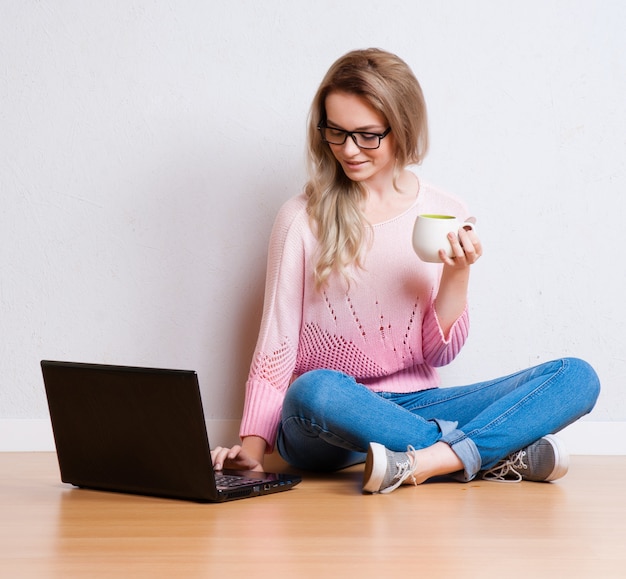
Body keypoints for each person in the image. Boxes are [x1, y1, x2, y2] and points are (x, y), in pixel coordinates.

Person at [211, 48, 600, 493]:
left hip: (414, 407)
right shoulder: (301, 218)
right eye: (335, 132)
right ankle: (480, 456)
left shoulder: (446, 212)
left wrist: (458, 274)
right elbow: (276, 342)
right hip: (326, 418)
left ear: (403, 128)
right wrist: (253, 452)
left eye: (367, 135)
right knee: (314, 390)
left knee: (576, 377)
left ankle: (429, 460)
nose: (348, 149)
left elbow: (437, 356)